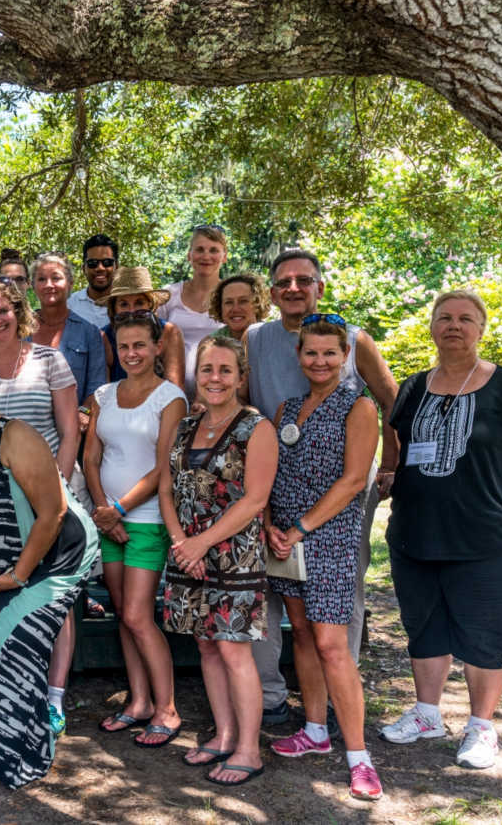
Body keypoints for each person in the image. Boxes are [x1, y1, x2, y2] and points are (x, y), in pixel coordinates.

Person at [378, 291, 502, 770]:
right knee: (423, 625)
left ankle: (481, 728)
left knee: (483, 631)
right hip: (416, 531)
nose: (454, 326)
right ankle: (427, 713)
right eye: (444, 318)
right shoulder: (412, 388)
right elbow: (400, 449)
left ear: (481, 328)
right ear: (431, 326)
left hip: (489, 535)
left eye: (465, 319)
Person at [245, 249, 398, 726]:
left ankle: (337, 698)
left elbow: (393, 401)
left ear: (319, 288)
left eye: (303, 280)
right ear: (271, 292)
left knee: (339, 597)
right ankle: (273, 696)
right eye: (284, 281)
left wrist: (392, 464)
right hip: (278, 490)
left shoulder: (354, 338)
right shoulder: (256, 339)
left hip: (341, 491)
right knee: (274, 595)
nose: (293, 288)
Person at [0, 361, 96, 789]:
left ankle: (29, 754)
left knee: (9, 642)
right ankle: (11, 744)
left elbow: (54, 512)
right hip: (10, 566)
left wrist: (20, 576)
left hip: (58, 555)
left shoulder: (15, 434)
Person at [264, 316, 382, 799]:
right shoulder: (287, 408)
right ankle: (314, 731)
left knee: (333, 645)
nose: (319, 361)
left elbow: (354, 480)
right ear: (299, 356)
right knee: (305, 640)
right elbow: (270, 472)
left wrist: (301, 528)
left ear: (345, 356)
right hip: (284, 541)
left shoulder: (360, 406)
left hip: (328, 538)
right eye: (311, 353)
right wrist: (273, 524)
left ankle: (359, 757)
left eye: (329, 353)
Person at [160, 336, 275, 787]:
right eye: (207, 369)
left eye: (225, 370)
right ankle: (224, 733)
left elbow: (255, 499)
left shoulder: (256, 427)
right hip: (188, 554)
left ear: (240, 377)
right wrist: (181, 543)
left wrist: (202, 542)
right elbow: (168, 490)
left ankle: (249, 748)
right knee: (205, 644)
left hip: (233, 556)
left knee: (232, 648)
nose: (215, 378)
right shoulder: (186, 427)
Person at [84, 313, 186, 747]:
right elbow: (91, 458)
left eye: (140, 345)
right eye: (124, 347)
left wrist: (121, 508)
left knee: (138, 616)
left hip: (146, 521)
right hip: (108, 521)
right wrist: (103, 509)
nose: (131, 354)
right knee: (123, 616)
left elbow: (164, 466)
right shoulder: (103, 395)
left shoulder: (171, 398)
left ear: (156, 346)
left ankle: (168, 709)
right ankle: (139, 700)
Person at [0, 279, 79, 478]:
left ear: (17, 313)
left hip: (50, 476)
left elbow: (70, 434)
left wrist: (59, 491)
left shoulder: (50, 359)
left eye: (3, 311)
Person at [159, 226, 229, 397]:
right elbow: (154, 341)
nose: (206, 256)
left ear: (224, 257)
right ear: (189, 255)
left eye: (214, 250)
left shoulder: (231, 296)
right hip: (171, 393)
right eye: (199, 249)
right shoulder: (169, 295)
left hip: (220, 393)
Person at [30, 252, 107, 406]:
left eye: (56, 278)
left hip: (72, 425)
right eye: (41, 279)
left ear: (70, 283)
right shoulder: (19, 329)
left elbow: (97, 387)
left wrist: (83, 415)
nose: (49, 285)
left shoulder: (89, 333)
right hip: (22, 424)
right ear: (33, 286)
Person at [101, 267, 185, 389]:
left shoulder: (169, 332)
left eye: (139, 303)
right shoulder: (104, 337)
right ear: (114, 309)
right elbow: (102, 392)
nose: (132, 311)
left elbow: (175, 386)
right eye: (124, 304)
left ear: (150, 305)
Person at [66, 234, 119, 329]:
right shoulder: (70, 306)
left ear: (117, 267)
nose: (100, 268)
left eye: (107, 262)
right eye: (92, 263)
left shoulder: (128, 304)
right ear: (83, 269)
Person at [208, 273, 270, 341]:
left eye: (243, 301)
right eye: (229, 302)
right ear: (220, 307)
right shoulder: (210, 344)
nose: (235, 309)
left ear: (258, 303)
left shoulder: (274, 338)